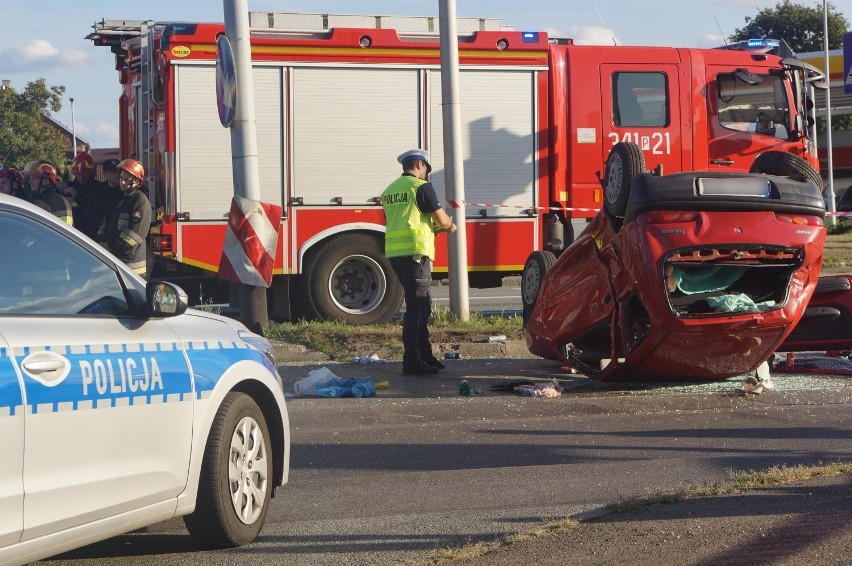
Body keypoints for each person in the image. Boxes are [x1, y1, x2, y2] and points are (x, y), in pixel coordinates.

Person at [381, 148, 457, 376]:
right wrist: (449, 226)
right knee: (417, 307)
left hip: (396, 255)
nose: (426, 173)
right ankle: (412, 360)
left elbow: (404, 221)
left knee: (420, 306)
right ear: (419, 165)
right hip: (416, 254)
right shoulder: (421, 188)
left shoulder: (389, 190)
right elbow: (442, 221)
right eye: (426, 168)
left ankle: (425, 355)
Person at [98, 159, 152, 277]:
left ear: (137, 181)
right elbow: (105, 221)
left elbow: (133, 236)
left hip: (132, 268)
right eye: (121, 178)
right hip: (117, 262)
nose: (122, 182)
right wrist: (101, 241)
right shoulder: (119, 198)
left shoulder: (140, 201)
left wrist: (110, 246)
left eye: (126, 180)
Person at [79, 158, 122, 239]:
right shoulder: (97, 192)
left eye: (119, 172)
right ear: (104, 174)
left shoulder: (126, 191)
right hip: (100, 237)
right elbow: (90, 218)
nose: (117, 174)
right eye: (113, 172)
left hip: (120, 238)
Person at [67, 152, 104, 230]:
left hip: (92, 234)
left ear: (91, 173)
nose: (81, 178)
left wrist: (77, 196)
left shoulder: (100, 188)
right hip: (73, 232)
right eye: (78, 174)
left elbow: (95, 210)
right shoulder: (68, 186)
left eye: (85, 175)